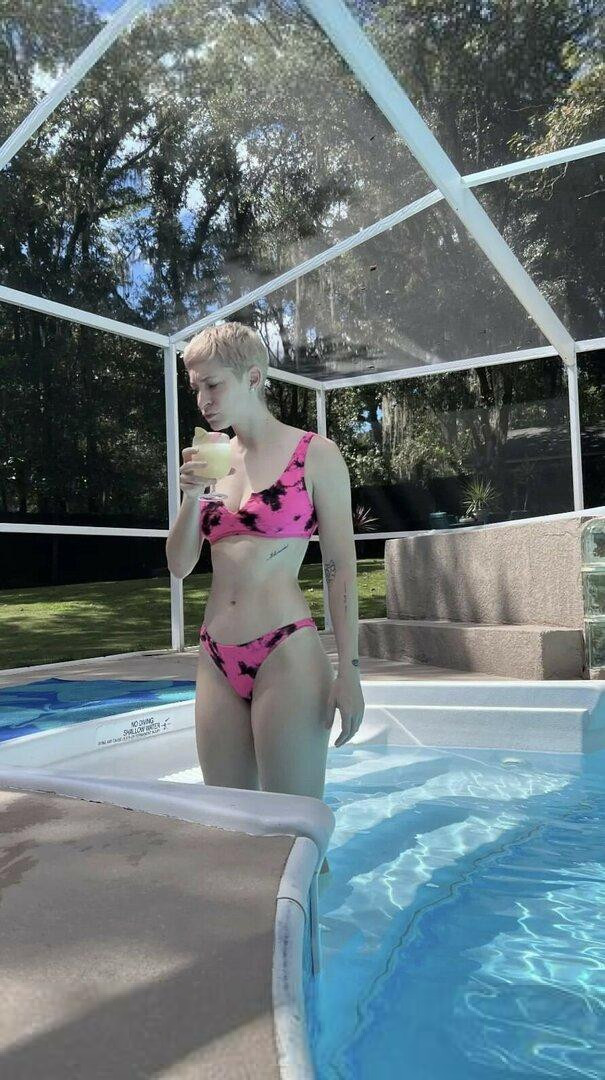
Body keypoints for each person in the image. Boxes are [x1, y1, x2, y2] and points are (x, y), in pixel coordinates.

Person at [165, 322, 365, 875]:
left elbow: (341, 569)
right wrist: (190, 497)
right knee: (231, 831)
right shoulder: (212, 459)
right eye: (197, 389)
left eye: (213, 385)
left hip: (286, 651)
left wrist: (349, 670)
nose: (203, 400)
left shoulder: (315, 454)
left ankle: (315, 929)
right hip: (215, 655)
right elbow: (179, 565)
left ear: (253, 378)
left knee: (295, 837)